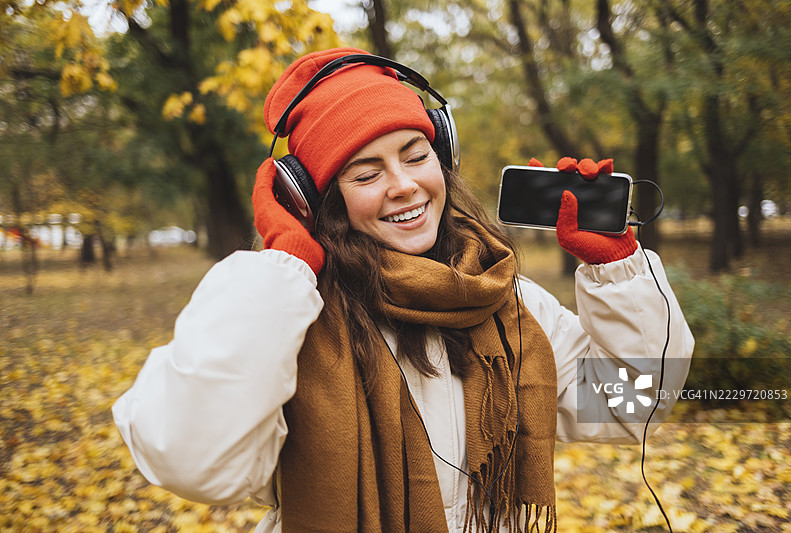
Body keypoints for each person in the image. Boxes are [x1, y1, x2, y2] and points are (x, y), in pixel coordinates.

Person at [113, 48, 694, 533]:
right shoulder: (286, 319)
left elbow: (631, 407)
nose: (404, 186)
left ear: (443, 157)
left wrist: (619, 269)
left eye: (416, 157)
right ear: (317, 199)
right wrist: (283, 267)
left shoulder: (503, 298)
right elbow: (193, 461)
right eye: (365, 174)